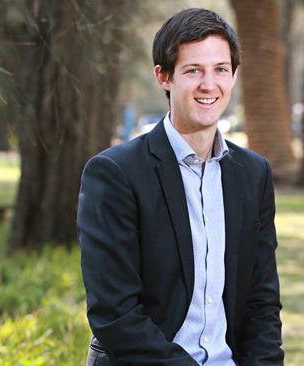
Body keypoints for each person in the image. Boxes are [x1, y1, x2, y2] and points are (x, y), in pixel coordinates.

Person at [77, 8, 283, 366]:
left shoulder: (253, 174)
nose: (209, 84)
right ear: (164, 77)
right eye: (193, 70)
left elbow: (260, 301)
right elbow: (115, 315)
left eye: (220, 69)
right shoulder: (114, 174)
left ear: (233, 76)